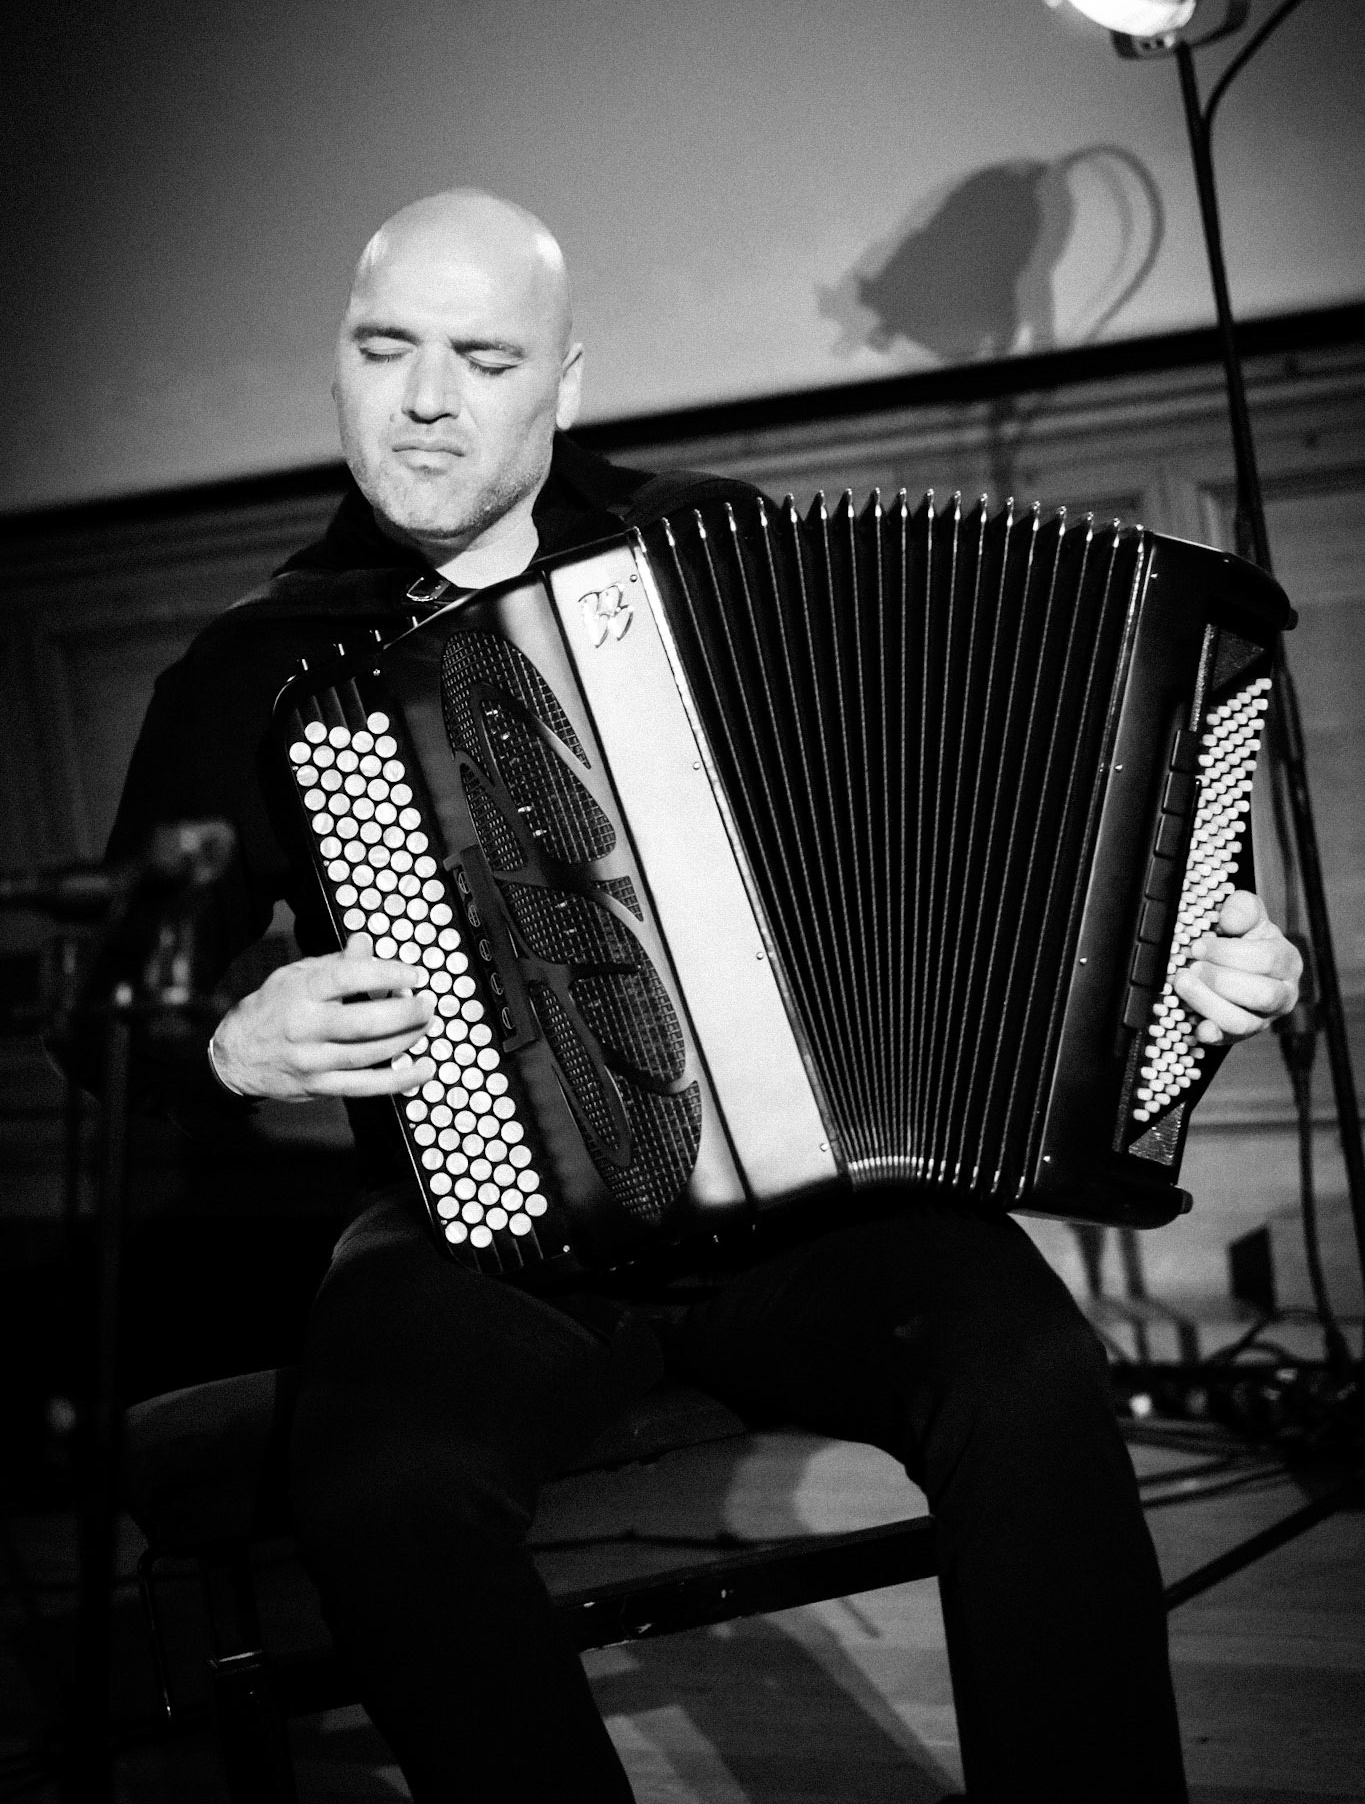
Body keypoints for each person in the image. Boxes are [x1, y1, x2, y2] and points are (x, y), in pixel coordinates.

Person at [105, 189, 1302, 1802]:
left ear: (566, 381)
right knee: (381, 1485)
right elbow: (123, 998)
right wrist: (226, 1037)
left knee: (1029, 1376)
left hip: (818, 1216)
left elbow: (975, 828)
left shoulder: (708, 547)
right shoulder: (252, 671)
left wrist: (1182, 967)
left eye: (483, 354)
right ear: (337, 365)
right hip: (487, 1240)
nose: (427, 397)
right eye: (385, 348)